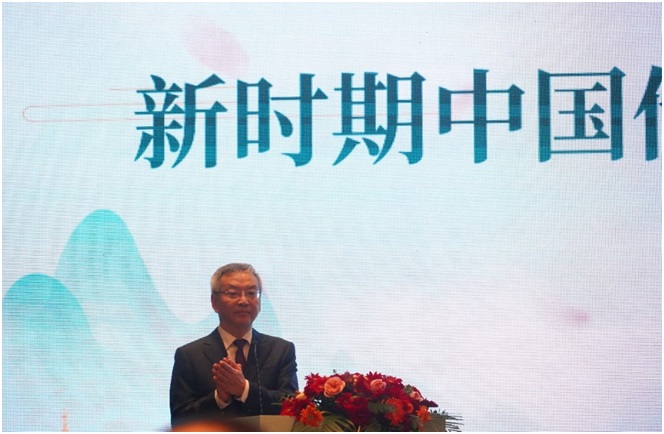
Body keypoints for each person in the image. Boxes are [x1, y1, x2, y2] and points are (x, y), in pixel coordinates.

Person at [169, 263, 298, 429]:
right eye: (233, 293)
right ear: (215, 302)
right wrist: (219, 399)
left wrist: (244, 389)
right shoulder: (190, 355)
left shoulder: (281, 350)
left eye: (251, 293)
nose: (243, 301)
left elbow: (291, 406)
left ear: (259, 302)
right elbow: (180, 422)